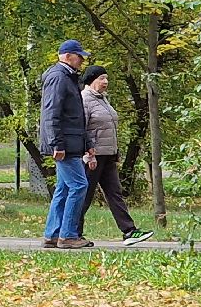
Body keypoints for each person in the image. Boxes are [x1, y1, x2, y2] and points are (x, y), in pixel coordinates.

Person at [80, 65, 154, 245]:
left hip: (108, 155)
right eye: (102, 78)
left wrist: (115, 152)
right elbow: (81, 129)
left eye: (106, 78)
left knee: (115, 193)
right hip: (93, 157)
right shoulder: (84, 99)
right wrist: (88, 155)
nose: (106, 82)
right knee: (84, 196)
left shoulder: (103, 99)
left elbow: (109, 127)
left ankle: (129, 231)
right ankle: (72, 233)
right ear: (91, 80)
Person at [41, 39, 93, 249]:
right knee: (79, 185)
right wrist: (57, 144)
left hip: (71, 141)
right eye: (79, 56)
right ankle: (68, 235)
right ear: (68, 56)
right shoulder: (58, 77)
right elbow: (51, 113)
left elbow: (76, 117)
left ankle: (53, 234)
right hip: (65, 144)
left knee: (63, 188)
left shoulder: (68, 77)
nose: (82, 60)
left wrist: (87, 143)